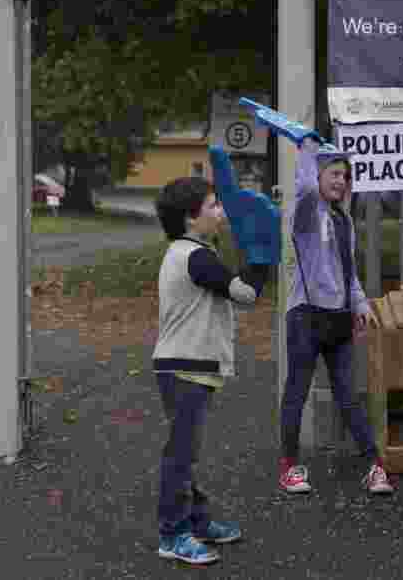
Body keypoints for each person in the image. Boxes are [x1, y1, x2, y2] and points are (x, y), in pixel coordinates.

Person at [151, 176, 272, 565]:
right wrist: (262, 251)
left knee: (187, 454)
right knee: (180, 457)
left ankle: (196, 521)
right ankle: (173, 535)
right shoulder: (195, 257)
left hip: (185, 366)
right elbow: (245, 294)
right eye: (213, 206)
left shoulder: (189, 251)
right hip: (184, 367)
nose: (220, 212)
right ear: (190, 218)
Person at [274, 135, 394, 495]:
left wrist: (359, 303)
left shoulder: (344, 219)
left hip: (338, 319)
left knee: (348, 396)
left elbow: (349, 271)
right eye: (333, 173)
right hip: (306, 318)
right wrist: (306, 150)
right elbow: (308, 188)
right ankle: (289, 467)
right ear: (318, 174)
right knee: (296, 392)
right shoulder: (306, 214)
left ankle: (374, 466)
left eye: (344, 174)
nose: (340, 180)